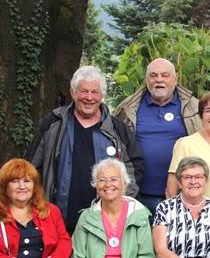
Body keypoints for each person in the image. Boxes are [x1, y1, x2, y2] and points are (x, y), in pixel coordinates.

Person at [26, 65, 143, 233]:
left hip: (104, 224)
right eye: (84, 91)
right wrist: (37, 205)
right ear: (73, 93)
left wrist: (121, 205)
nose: (89, 97)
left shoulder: (118, 129)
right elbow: (31, 168)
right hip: (58, 220)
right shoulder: (54, 124)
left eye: (94, 92)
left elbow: (134, 168)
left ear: (102, 95)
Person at [114, 58, 202, 215]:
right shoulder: (129, 108)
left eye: (165, 75)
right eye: (153, 75)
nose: (159, 80)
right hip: (137, 196)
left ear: (175, 80)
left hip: (181, 196)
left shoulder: (194, 107)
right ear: (146, 80)